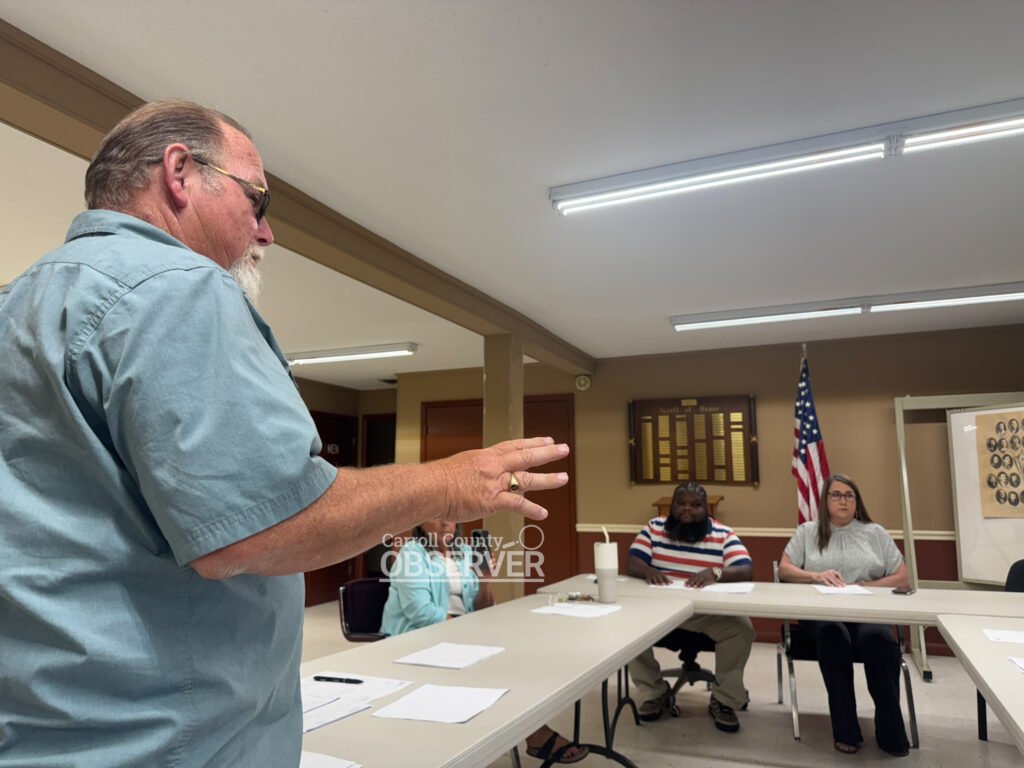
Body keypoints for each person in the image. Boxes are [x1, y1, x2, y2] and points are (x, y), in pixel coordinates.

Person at [0, 100, 570, 768]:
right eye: (258, 201)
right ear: (180, 173)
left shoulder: (20, 302)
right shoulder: (180, 290)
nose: (267, 234)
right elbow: (257, 526)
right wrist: (447, 483)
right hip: (171, 741)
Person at [380, 519, 589, 764]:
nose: (446, 522)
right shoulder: (411, 554)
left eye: (451, 515)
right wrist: (466, 634)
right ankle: (536, 735)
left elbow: (483, 607)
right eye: (437, 515)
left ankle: (524, 730)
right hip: (415, 639)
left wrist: (485, 579)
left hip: (456, 634)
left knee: (516, 655)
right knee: (496, 667)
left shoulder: (464, 552)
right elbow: (421, 612)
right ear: (421, 522)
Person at [778, 473, 911, 757]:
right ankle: (846, 729)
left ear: (857, 501)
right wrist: (816, 574)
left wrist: (867, 586)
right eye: (836, 495)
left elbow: (902, 577)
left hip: (867, 610)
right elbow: (784, 570)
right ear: (825, 500)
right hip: (820, 613)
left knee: (879, 641)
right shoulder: (807, 531)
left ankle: (890, 730)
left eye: (849, 495)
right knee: (833, 636)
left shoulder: (875, 532)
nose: (843, 500)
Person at [626, 482, 754, 733]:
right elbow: (632, 562)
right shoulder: (653, 528)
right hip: (659, 610)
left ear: (706, 509)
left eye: (695, 505)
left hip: (705, 613)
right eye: (680, 503)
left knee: (741, 629)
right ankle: (654, 692)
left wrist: (715, 572)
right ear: (671, 506)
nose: (687, 509)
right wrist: (649, 570)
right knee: (626, 626)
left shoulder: (723, 534)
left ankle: (724, 699)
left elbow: (745, 569)